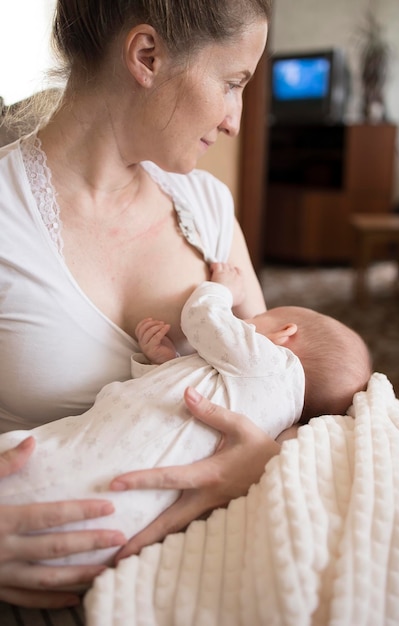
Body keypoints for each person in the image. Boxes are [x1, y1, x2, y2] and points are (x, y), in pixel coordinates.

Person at [0, 0, 289, 609]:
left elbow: (281, 390)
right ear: (147, 56)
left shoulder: (207, 206)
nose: (236, 120)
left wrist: (260, 462)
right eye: (232, 83)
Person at [0, 263, 371, 570]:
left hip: (61, 466)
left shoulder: (273, 363)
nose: (246, 323)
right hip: (114, 531)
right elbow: (178, 413)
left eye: (258, 317)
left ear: (285, 333)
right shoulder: (271, 417)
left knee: (33, 455)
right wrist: (162, 364)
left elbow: (202, 317)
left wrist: (222, 291)